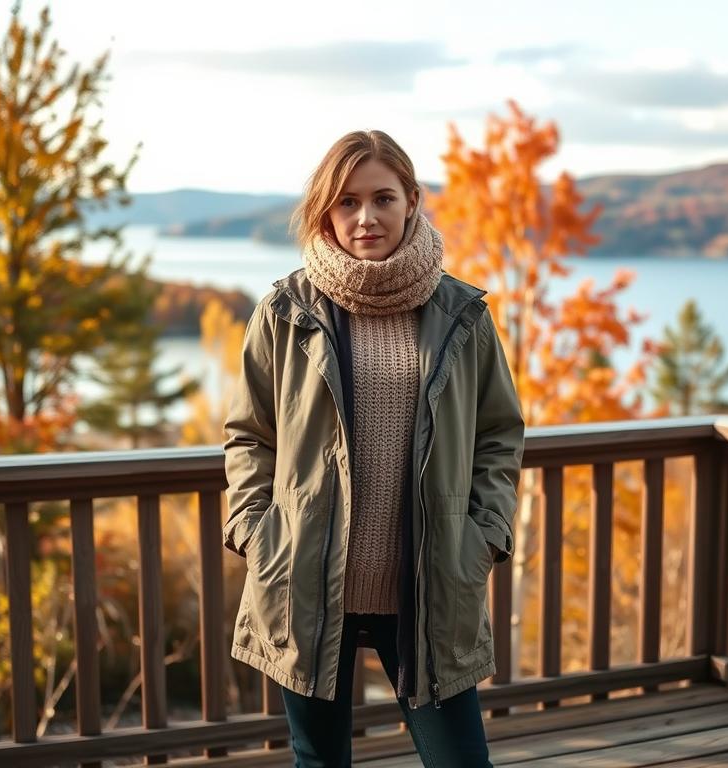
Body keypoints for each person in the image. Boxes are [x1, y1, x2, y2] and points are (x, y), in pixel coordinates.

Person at [222, 129, 524, 768]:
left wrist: (485, 533)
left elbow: (499, 434)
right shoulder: (285, 311)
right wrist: (256, 532)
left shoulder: (462, 313)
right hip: (304, 577)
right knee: (320, 763)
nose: (366, 217)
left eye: (383, 198)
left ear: (411, 201)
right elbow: (249, 435)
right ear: (327, 210)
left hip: (429, 582)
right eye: (349, 201)